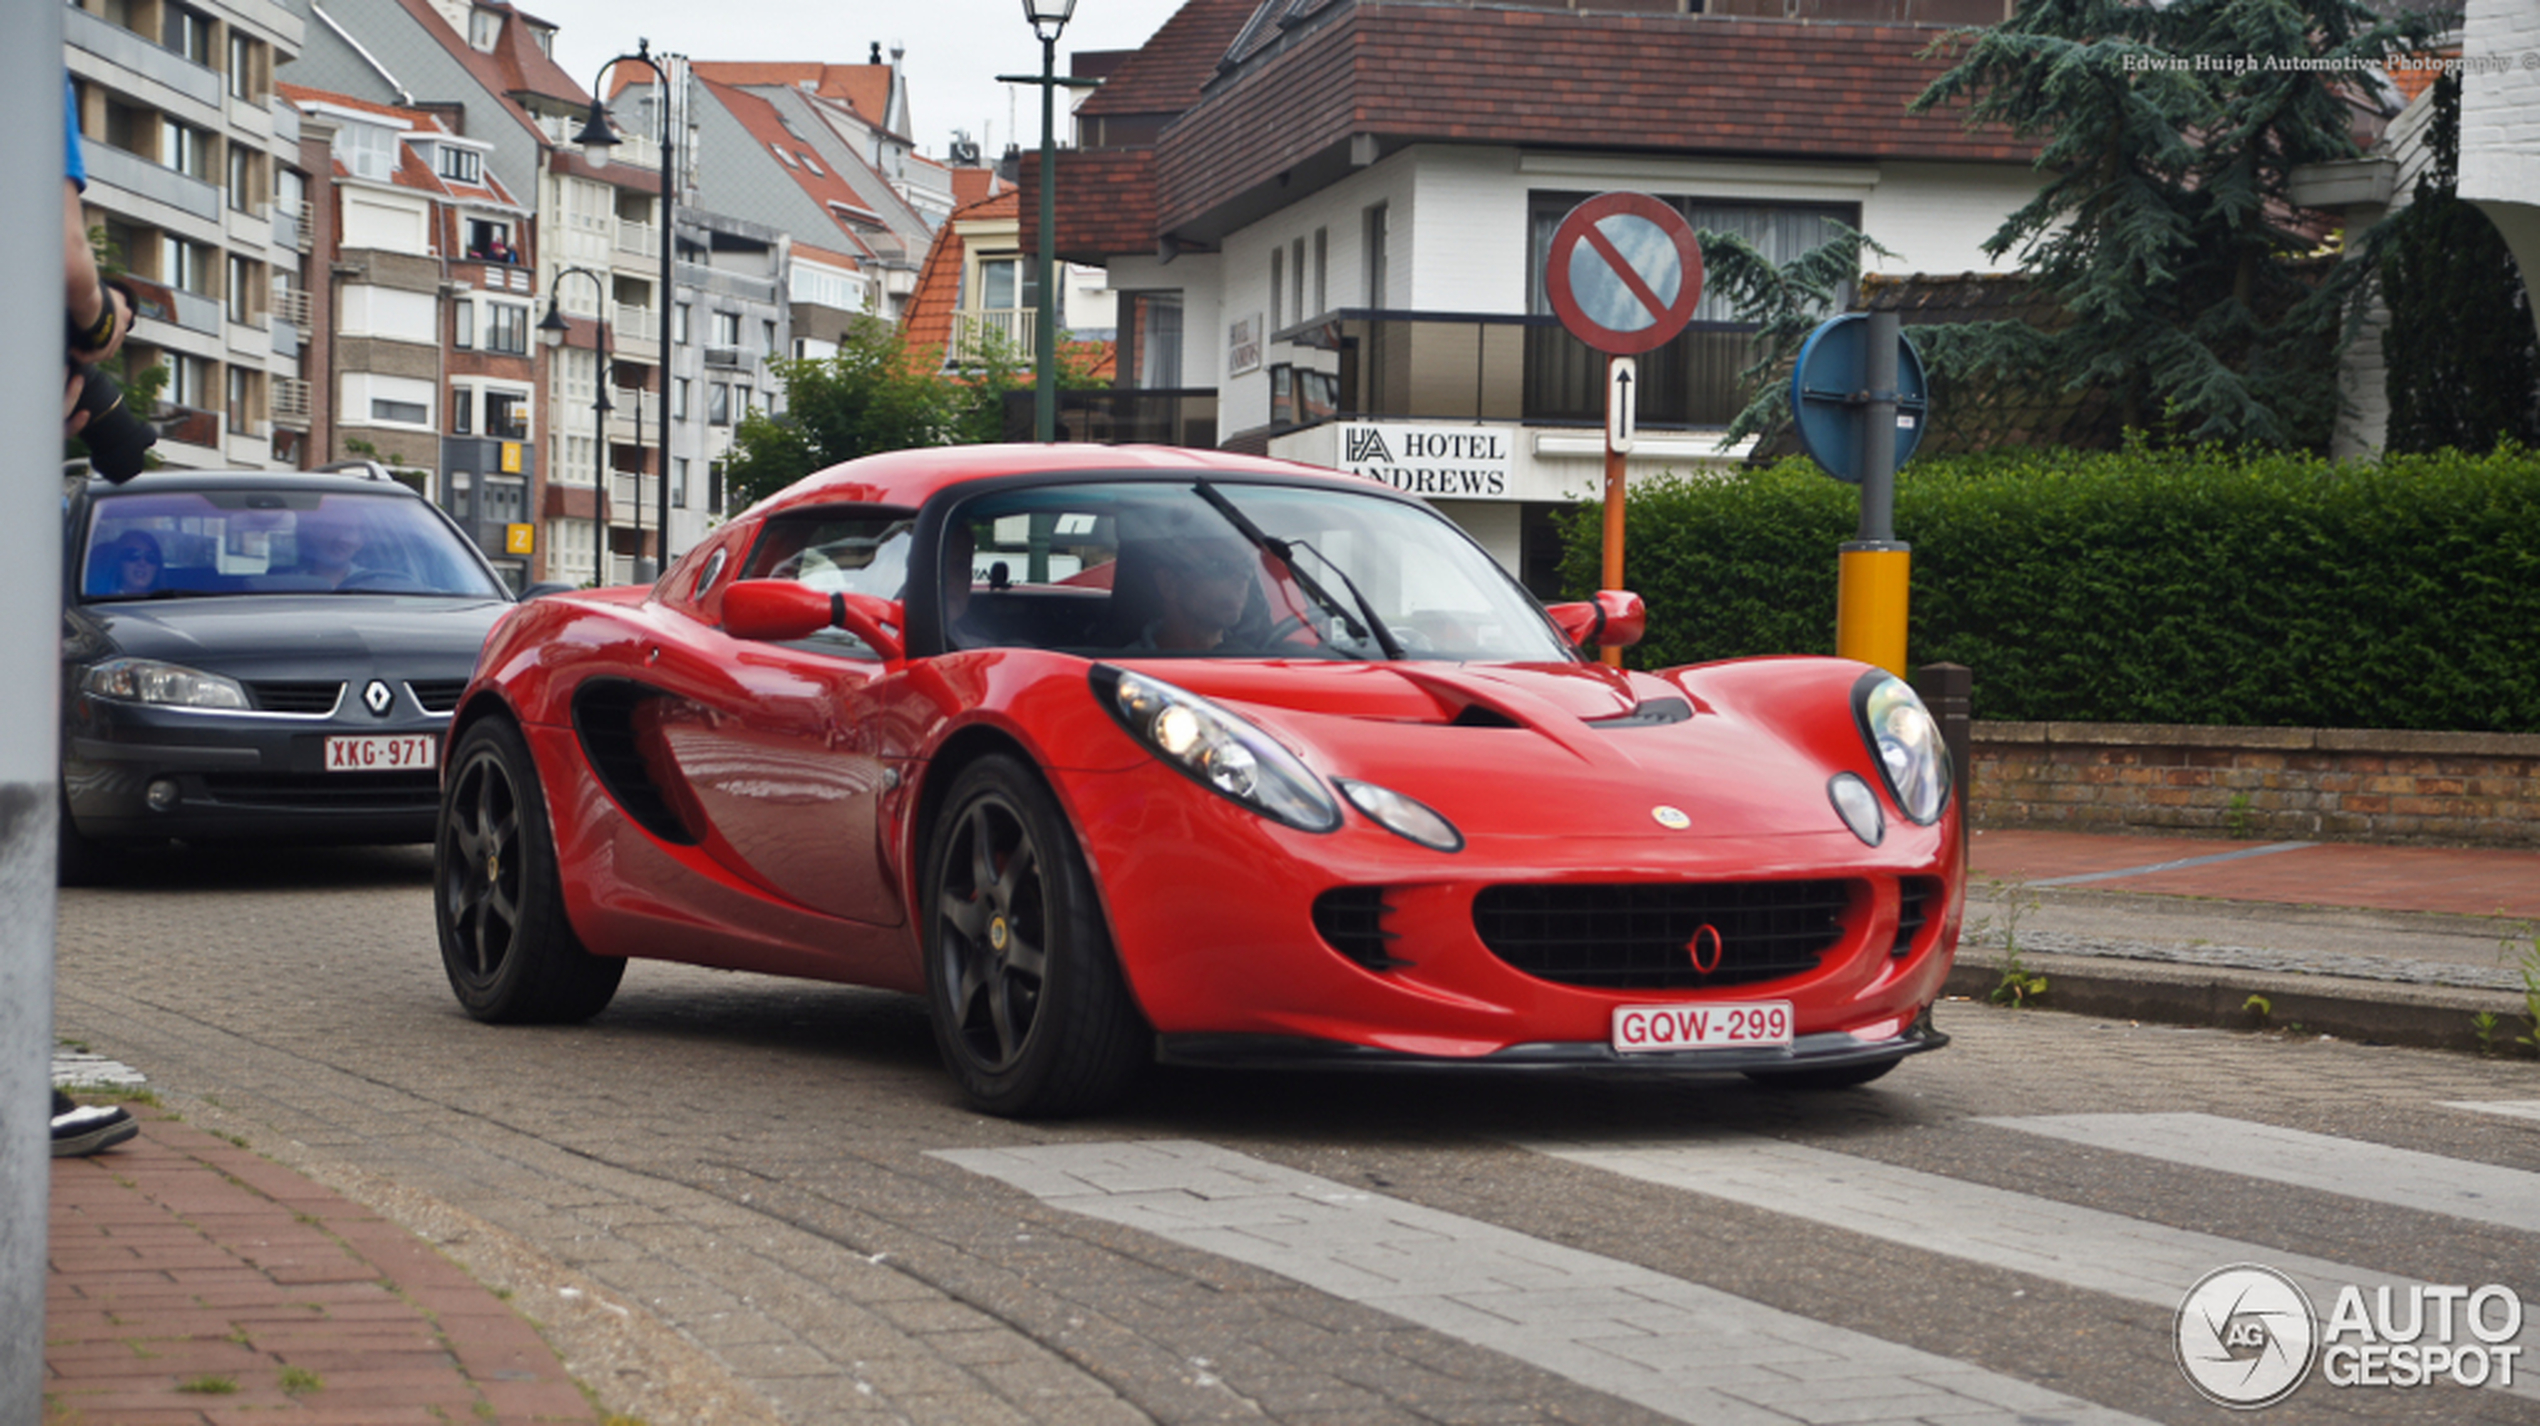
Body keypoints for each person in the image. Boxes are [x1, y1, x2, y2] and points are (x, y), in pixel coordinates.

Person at [1136, 538, 1257, 652]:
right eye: (1219, 566)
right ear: (1168, 583)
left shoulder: (1256, 661)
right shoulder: (1124, 670)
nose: (1241, 579)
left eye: (1246, 568)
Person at [289, 509, 366, 587]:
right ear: (314, 537)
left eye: (349, 530)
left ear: (360, 542)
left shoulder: (372, 582)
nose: (340, 538)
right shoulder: (290, 585)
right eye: (332, 528)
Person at [92, 530, 162, 596]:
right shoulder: (102, 601)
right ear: (118, 563)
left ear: (157, 567)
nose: (142, 562)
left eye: (150, 557)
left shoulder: (168, 603)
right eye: (132, 555)